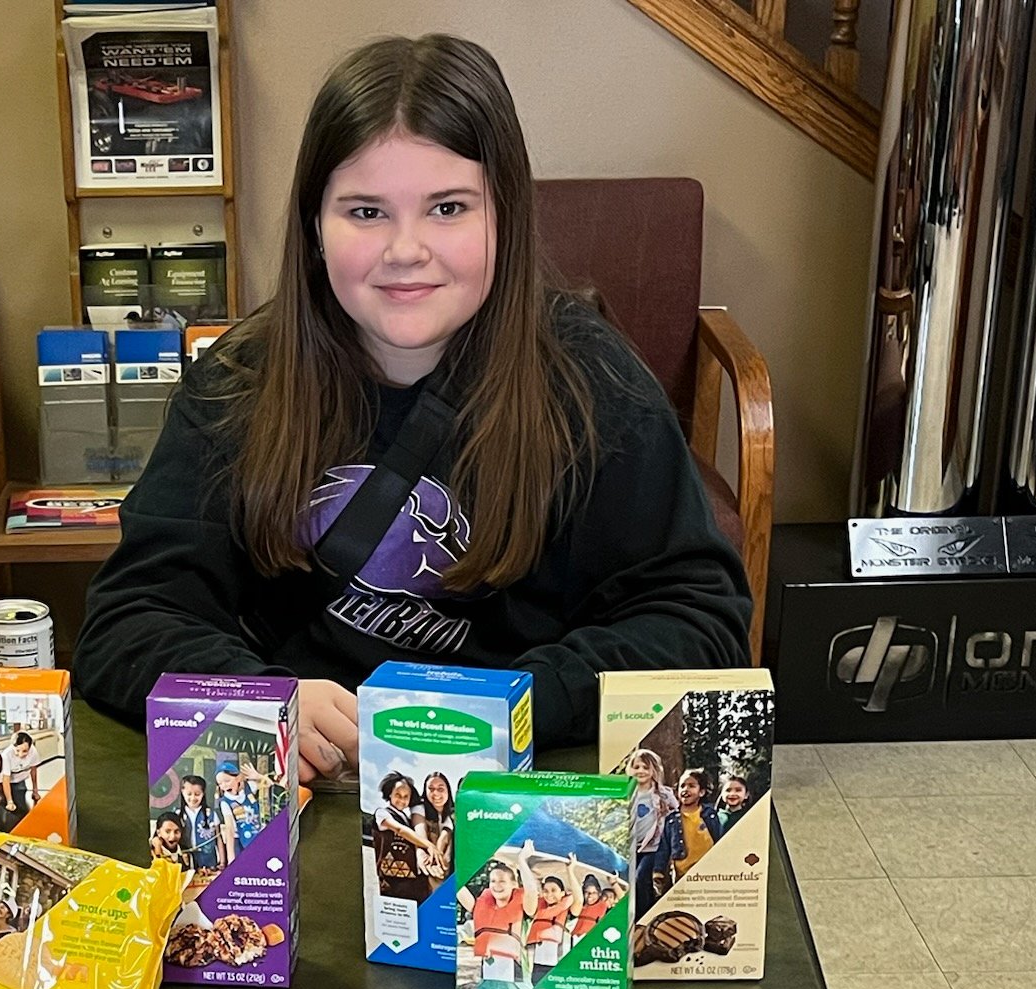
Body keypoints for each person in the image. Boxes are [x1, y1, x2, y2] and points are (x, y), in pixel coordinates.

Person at [71, 34, 751, 781]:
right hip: (309, 786)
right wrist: (260, 701)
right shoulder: (238, 382)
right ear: (314, 229)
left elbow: (699, 622)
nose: (406, 248)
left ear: (508, 216)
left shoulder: (594, 383)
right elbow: (127, 620)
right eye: (365, 211)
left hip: (516, 788)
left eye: (449, 207)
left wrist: (518, 703)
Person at [627, 747, 678, 915]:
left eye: (646, 767)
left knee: (641, 878)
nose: (641, 771)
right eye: (637, 767)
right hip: (632, 846)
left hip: (653, 847)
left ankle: (645, 916)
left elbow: (675, 818)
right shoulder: (626, 793)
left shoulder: (663, 794)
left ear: (654, 770)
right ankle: (633, 915)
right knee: (630, 882)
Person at [372, 769, 436, 899]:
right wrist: (428, 845)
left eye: (406, 796)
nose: (402, 799)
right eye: (398, 795)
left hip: (414, 884)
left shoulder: (408, 819)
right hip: (393, 883)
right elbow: (400, 830)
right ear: (389, 794)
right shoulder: (382, 814)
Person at [459, 857, 526, 981]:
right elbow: (458, 888)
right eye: (493, 881)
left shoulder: (525, 908)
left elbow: (532, 890)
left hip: (515, 977)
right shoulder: (481, 907)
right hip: (488, 976)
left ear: (514, 884)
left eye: (502, 881)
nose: (496, 885)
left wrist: (522, 862)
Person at [662, 767, 723, 877]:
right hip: (682, 874)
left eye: (691, 786)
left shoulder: (710, 814)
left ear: (701, 792)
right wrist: (659, 871)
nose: (686, 789)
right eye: (682, 786)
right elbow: (664, 848)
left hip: (708, 872)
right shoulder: (671, 819)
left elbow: (719, 838)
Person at [523, 865, 574, 982]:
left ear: (562, 893)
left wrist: (570, 870)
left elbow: (579, 898)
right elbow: (531, 889)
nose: (549, 894)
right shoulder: (537, 907)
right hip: (537, 966)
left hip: (558, 966)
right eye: (545, 891)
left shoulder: (569, 910)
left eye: (553, 890)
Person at [215, 758, 264, 865]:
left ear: (238, 778)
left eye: (227, 781)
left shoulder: (250, 788)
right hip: (240, 841)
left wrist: (259, 777)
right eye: (220, 783)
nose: (224, 785)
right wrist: (231, 859)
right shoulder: (225, 803)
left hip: (258, 835)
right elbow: (230, 830)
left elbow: (272, 786)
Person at [177, 773, 221, 877]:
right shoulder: (178, 815)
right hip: (187, 863)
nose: (193, 798)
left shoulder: (211, 814)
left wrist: (222, 861)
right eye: (189, 794)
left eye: (197, 794)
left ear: (203, 793)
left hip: (209, 862)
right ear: (182, 792)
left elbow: (218, 838)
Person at [418, 769, 455, 875]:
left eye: (440, 789)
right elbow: (419, 831)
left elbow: (445, 835)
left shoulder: (453, 815)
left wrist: (438, 850)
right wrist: (422, 851)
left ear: (448, 790)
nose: (436, 793)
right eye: (431, 789)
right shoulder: (420, 809)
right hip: (425, 868)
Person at [3, 731, 42, 820]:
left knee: (22, 804)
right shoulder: (6, 755)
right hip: (7, 781)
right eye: (17, 750)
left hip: (20, 779)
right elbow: (5, 779)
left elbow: (33, 770)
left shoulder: (33, 751)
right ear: (13, 747)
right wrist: (10, 801)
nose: (21, 755)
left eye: (25, 751)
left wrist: (35, 790)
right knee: (12, 808)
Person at [571, 872, 605, 942]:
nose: (590, 896)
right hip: (574, 940)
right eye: (587, 892)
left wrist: (614, 883)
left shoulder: (604, 906)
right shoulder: (577, 905)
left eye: (594, 893)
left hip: (591, 942)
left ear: (599, 893)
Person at [716, 769, 752, 834]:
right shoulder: (715, 818)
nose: (732, 794)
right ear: (722, 794)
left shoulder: (749, 817)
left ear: (746, 795)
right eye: (728, 790)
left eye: (738, 790)